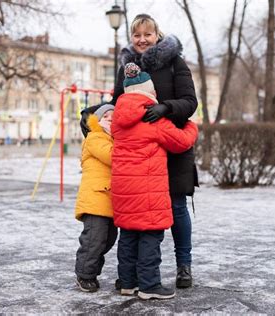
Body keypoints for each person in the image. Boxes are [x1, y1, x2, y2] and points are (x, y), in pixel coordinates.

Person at [113, 14, 198, 289]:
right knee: (140, 213)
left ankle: (184, 265)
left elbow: (190, 102)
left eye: (147, 34)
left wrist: (166, 107)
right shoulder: (126, 66)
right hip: (141, 154)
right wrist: (94, 113)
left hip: (172, 146)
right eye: (137, 35)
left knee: (176, 206)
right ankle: (139, 275)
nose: (142, 40)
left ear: (157, 35)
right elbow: (117, 104)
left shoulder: (175, 62)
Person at [74, 104, 117, 292]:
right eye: (106, 116)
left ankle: (91, 270)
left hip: (108, 199)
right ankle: (85, 274)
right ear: (97, 121)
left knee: (108, 239)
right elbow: (111, 156)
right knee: (94, 239)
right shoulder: (95, 137)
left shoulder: (112, 138)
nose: (111, 119)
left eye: (114, 116)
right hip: (95, 198)